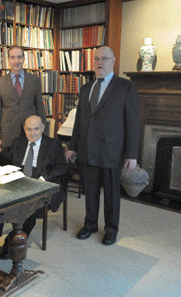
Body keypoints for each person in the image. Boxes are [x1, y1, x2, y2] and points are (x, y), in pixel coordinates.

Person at [65, 46, 140, 246]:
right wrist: (72, 146)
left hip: (112, 151)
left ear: (113, 61)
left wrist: (132, 154)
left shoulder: (125, 87)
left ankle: (111, 229)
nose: (100, 62)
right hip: (87, 149)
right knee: (90, 191)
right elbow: (79, 121)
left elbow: (133, 123)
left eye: (105, 58)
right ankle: (89, 225)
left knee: (111, 193)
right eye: (96, 59)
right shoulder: (86, 88)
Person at [0, 115, 68, 260]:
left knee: (29, 207)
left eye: (36, 129)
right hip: (18, 179)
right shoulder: (19, 142)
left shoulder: (53, 144)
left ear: (43, 128)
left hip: (40, 181)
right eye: (29, 129)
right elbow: (6, 161)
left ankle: (11, 242)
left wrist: (43, 178)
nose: (32, 133)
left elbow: (62, 167)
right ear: (24, 129)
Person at [0, 45, 46, 165]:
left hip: (31, 135)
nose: (16, 61)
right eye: (13, 57)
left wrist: (43, 133)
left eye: (19, 57)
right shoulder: (0, 83)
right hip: (8, 137)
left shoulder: (34, 80)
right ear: (8, 59)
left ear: (24, 58)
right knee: (9, 173)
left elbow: (40, 108)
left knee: (29, 172)